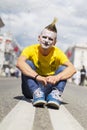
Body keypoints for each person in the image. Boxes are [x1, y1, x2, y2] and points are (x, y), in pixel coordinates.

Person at [16, 18, 76, 109]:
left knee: (64, 68)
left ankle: (54, 95)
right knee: (27, 63)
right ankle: (36, 93)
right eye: (44, 37)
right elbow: (19, 63)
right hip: (31, 89)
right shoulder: (30, 49)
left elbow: (72, 69)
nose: (46, 40)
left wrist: (56, 77)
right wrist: (37, 77)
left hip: (49, 87)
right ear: (39, 38)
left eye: (50, 39)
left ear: (55, 42)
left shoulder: (58, 52)